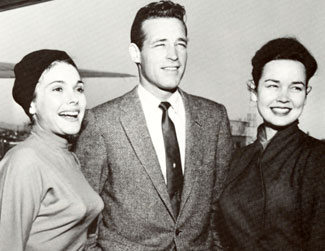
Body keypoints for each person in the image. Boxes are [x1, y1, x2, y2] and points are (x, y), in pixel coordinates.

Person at [75, 1, 233, 250]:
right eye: (160, 44)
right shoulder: (101, 123)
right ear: (135, 53)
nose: (174, 55)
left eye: (180, 44)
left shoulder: (214, 118)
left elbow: (219, 209)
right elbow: (82, 220)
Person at [217, 37, 325, 250]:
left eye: (295, 88)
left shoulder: (318, 158)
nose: (283, 98)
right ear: (253, 90)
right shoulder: (237, 159)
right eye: (273, 85)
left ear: (306, 93)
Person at [0, 49, 104, 250]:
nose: (73, 99)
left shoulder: (68, 157)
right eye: (58, 89)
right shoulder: (25, 161)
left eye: (79, 89)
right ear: (32, 104)